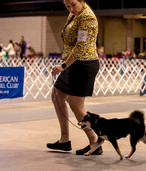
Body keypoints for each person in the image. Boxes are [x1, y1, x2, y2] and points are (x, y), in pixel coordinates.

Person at [47, 0, 102, 155]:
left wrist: (63, 66)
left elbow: (81, 47)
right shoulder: (74, 14)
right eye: (67, 6)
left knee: (76, 105)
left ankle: (94, 141)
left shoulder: (87, 17)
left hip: (84, 64)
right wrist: (66, 64)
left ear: (82, 1)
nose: (71, 9)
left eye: (73, 4)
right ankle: (64, 141)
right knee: (57, 95)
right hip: (72, 63)